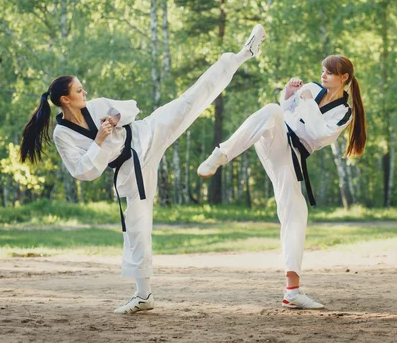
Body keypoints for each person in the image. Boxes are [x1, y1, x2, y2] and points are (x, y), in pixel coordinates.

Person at [19, 24, 267, 314]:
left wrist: (114, 118)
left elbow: (131, 107)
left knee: (191, 99)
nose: (84, 91)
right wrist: (98, 142)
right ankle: (144, 295)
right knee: (137, 226)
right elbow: (82, 172)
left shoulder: (97, 105)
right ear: (66, 99)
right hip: (130, 168)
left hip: (147, 133)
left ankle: (242, 54)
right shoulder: (63, 135)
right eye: (79, 89)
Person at [197, 54, 366, 310]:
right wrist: (288, 94)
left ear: (344, 78)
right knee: (272, 109)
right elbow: (285, 112)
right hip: (275, 140)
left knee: (296, 216)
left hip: (292, 157)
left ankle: (292, 292)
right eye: (322, 70)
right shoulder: (310, 88)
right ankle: (221, 154)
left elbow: (320, 134)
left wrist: (306, 102)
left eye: (330, 72)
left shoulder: (344, 112)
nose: (323, 75)